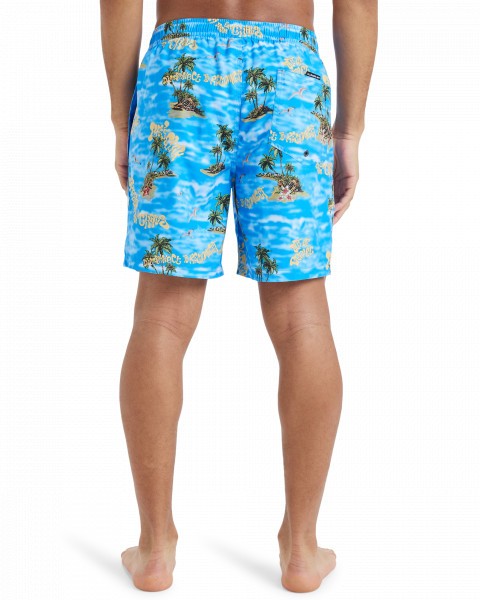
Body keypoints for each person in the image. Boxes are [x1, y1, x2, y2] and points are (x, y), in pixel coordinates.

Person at [100, 0, 377, 593]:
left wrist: (123, 121)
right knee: (302, 318)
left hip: (181, 68)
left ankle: (154, 549)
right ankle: (302, 550)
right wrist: (349, 130)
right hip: (289, 74)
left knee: (162, 316)